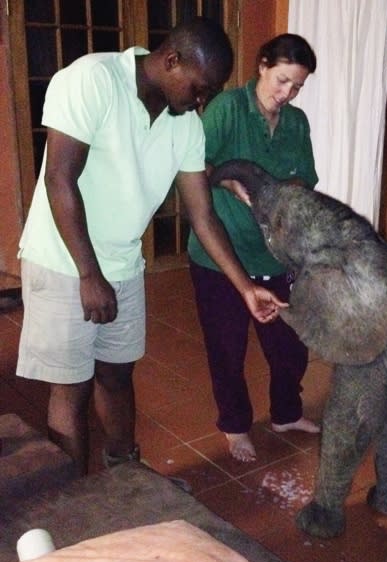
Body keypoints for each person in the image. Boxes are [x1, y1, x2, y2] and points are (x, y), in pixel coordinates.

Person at [16, 18, 286, 478]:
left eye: (210, 94)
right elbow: (60, 179)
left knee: (118, 376)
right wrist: (89, 275)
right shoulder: (91, 80)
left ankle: (126, 478)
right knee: (71, 392)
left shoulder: (184, 125)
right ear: (172, 60)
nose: (202, 101)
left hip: (121, 264)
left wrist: (245, 288)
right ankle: (72, 498)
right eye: (199, 88)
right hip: (63, 262)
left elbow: (203, 215)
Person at [187, 34, 320, 463]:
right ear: (262, 65)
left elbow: (306, 180)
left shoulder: (296, 122)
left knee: (289, 347)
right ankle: (235, 426)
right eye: (282, 81)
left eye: (297, 86)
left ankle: (286, 413)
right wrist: (231, 180)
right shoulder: (227, 108)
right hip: (221, 254)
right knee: (227, 348)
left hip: (274, 254)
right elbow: (193, 163)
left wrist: (280, 195)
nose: (287, 94)